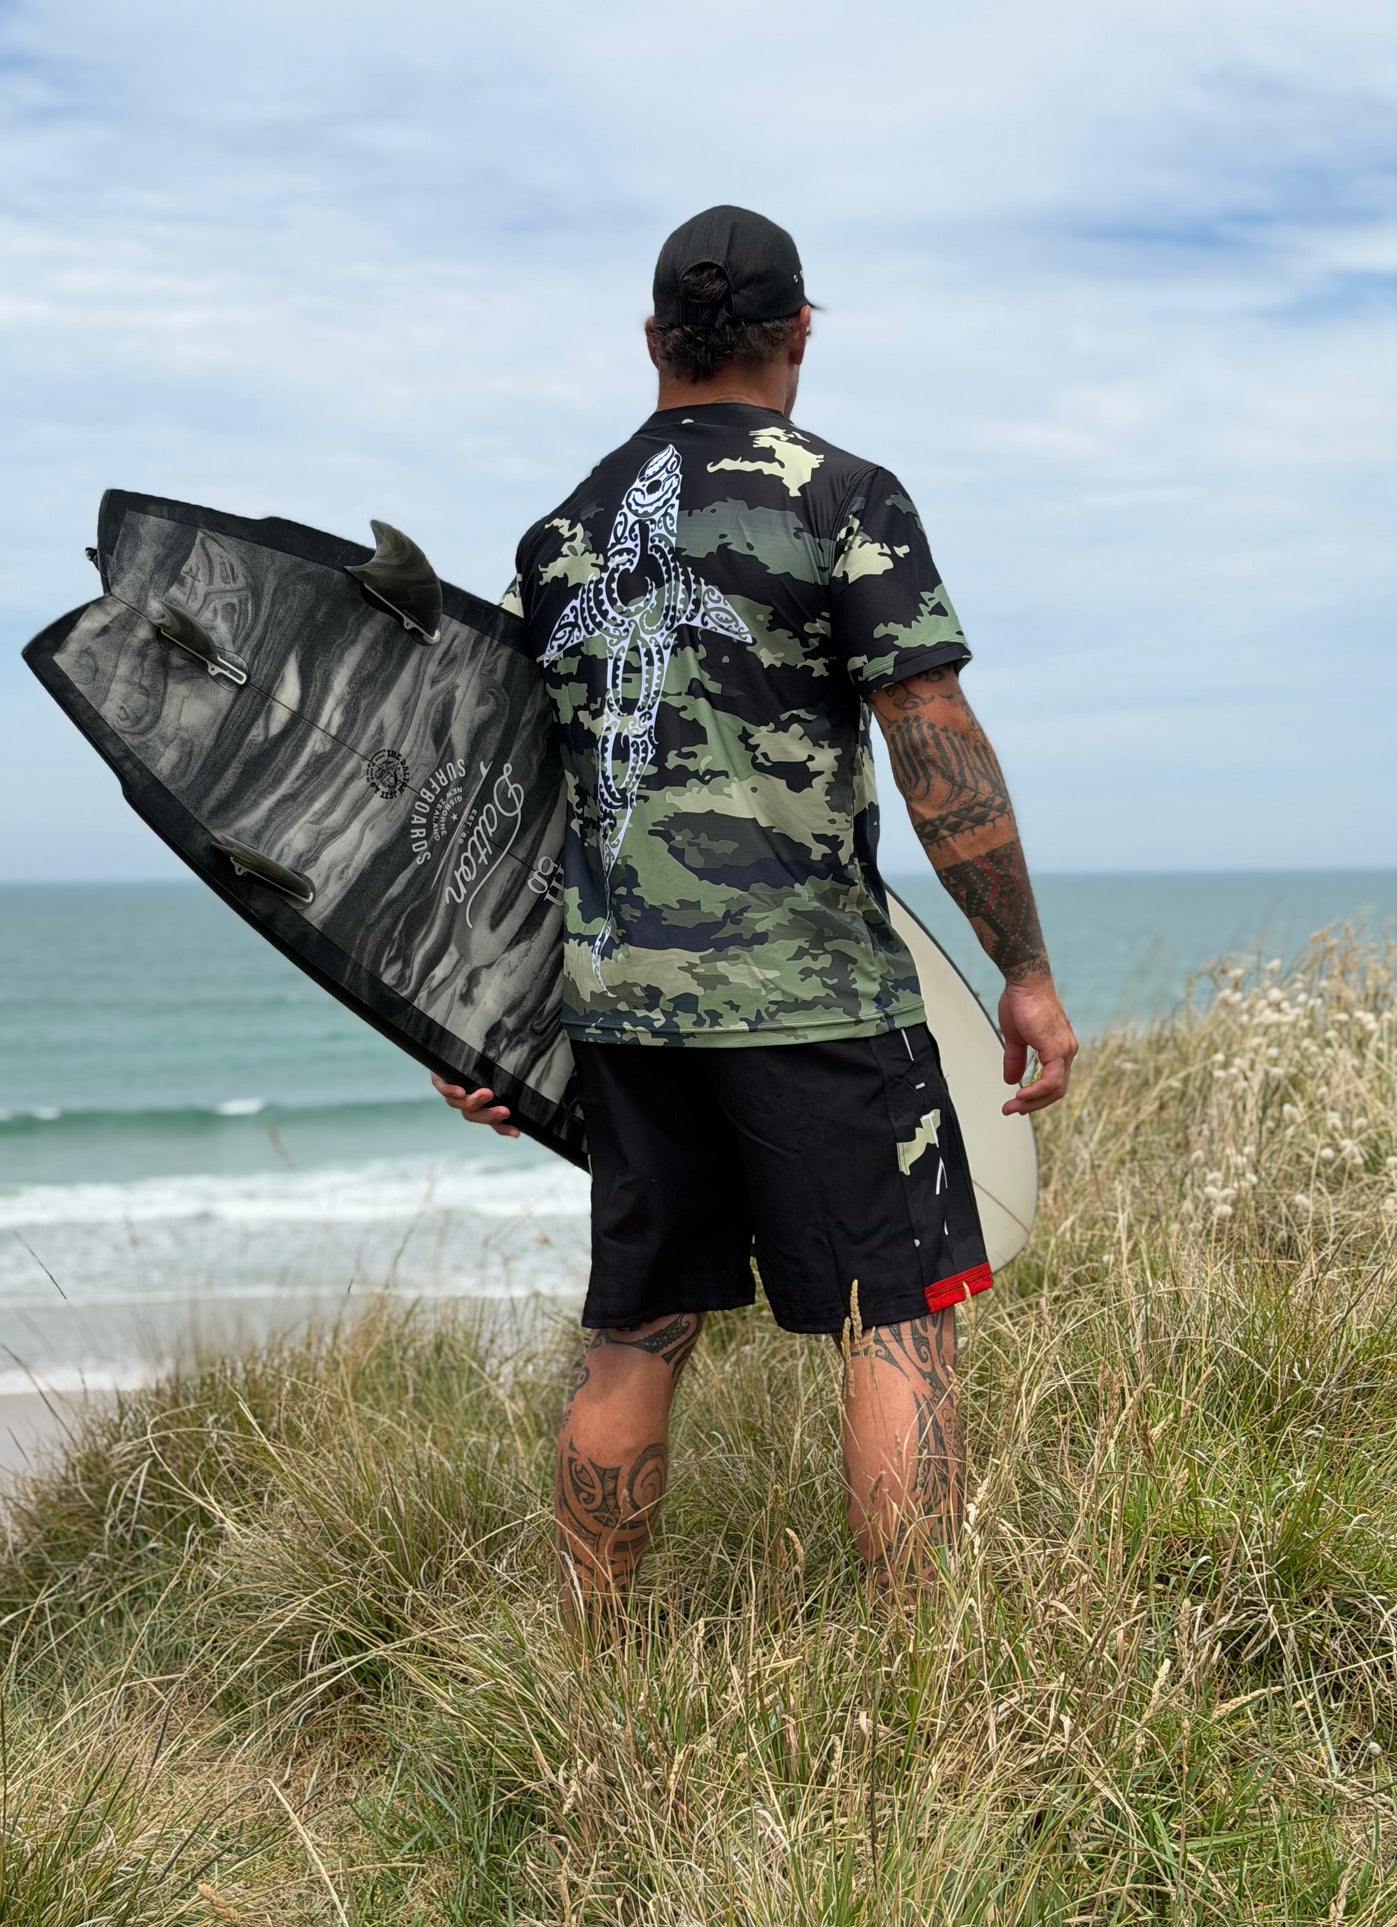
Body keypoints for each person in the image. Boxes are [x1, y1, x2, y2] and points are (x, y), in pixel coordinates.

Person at [432, 206, 1077, 1621]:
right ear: (798, 335)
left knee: (633, 1339)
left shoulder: (560, 537)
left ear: (653, 339)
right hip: (817, 998)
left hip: (622, 1013)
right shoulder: (840, 495)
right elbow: (928, 736)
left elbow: (500, 794)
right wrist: (1018, 967)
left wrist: (474, 1014)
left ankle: (594, 1669)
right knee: (888, 1331)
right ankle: (918, 1674)